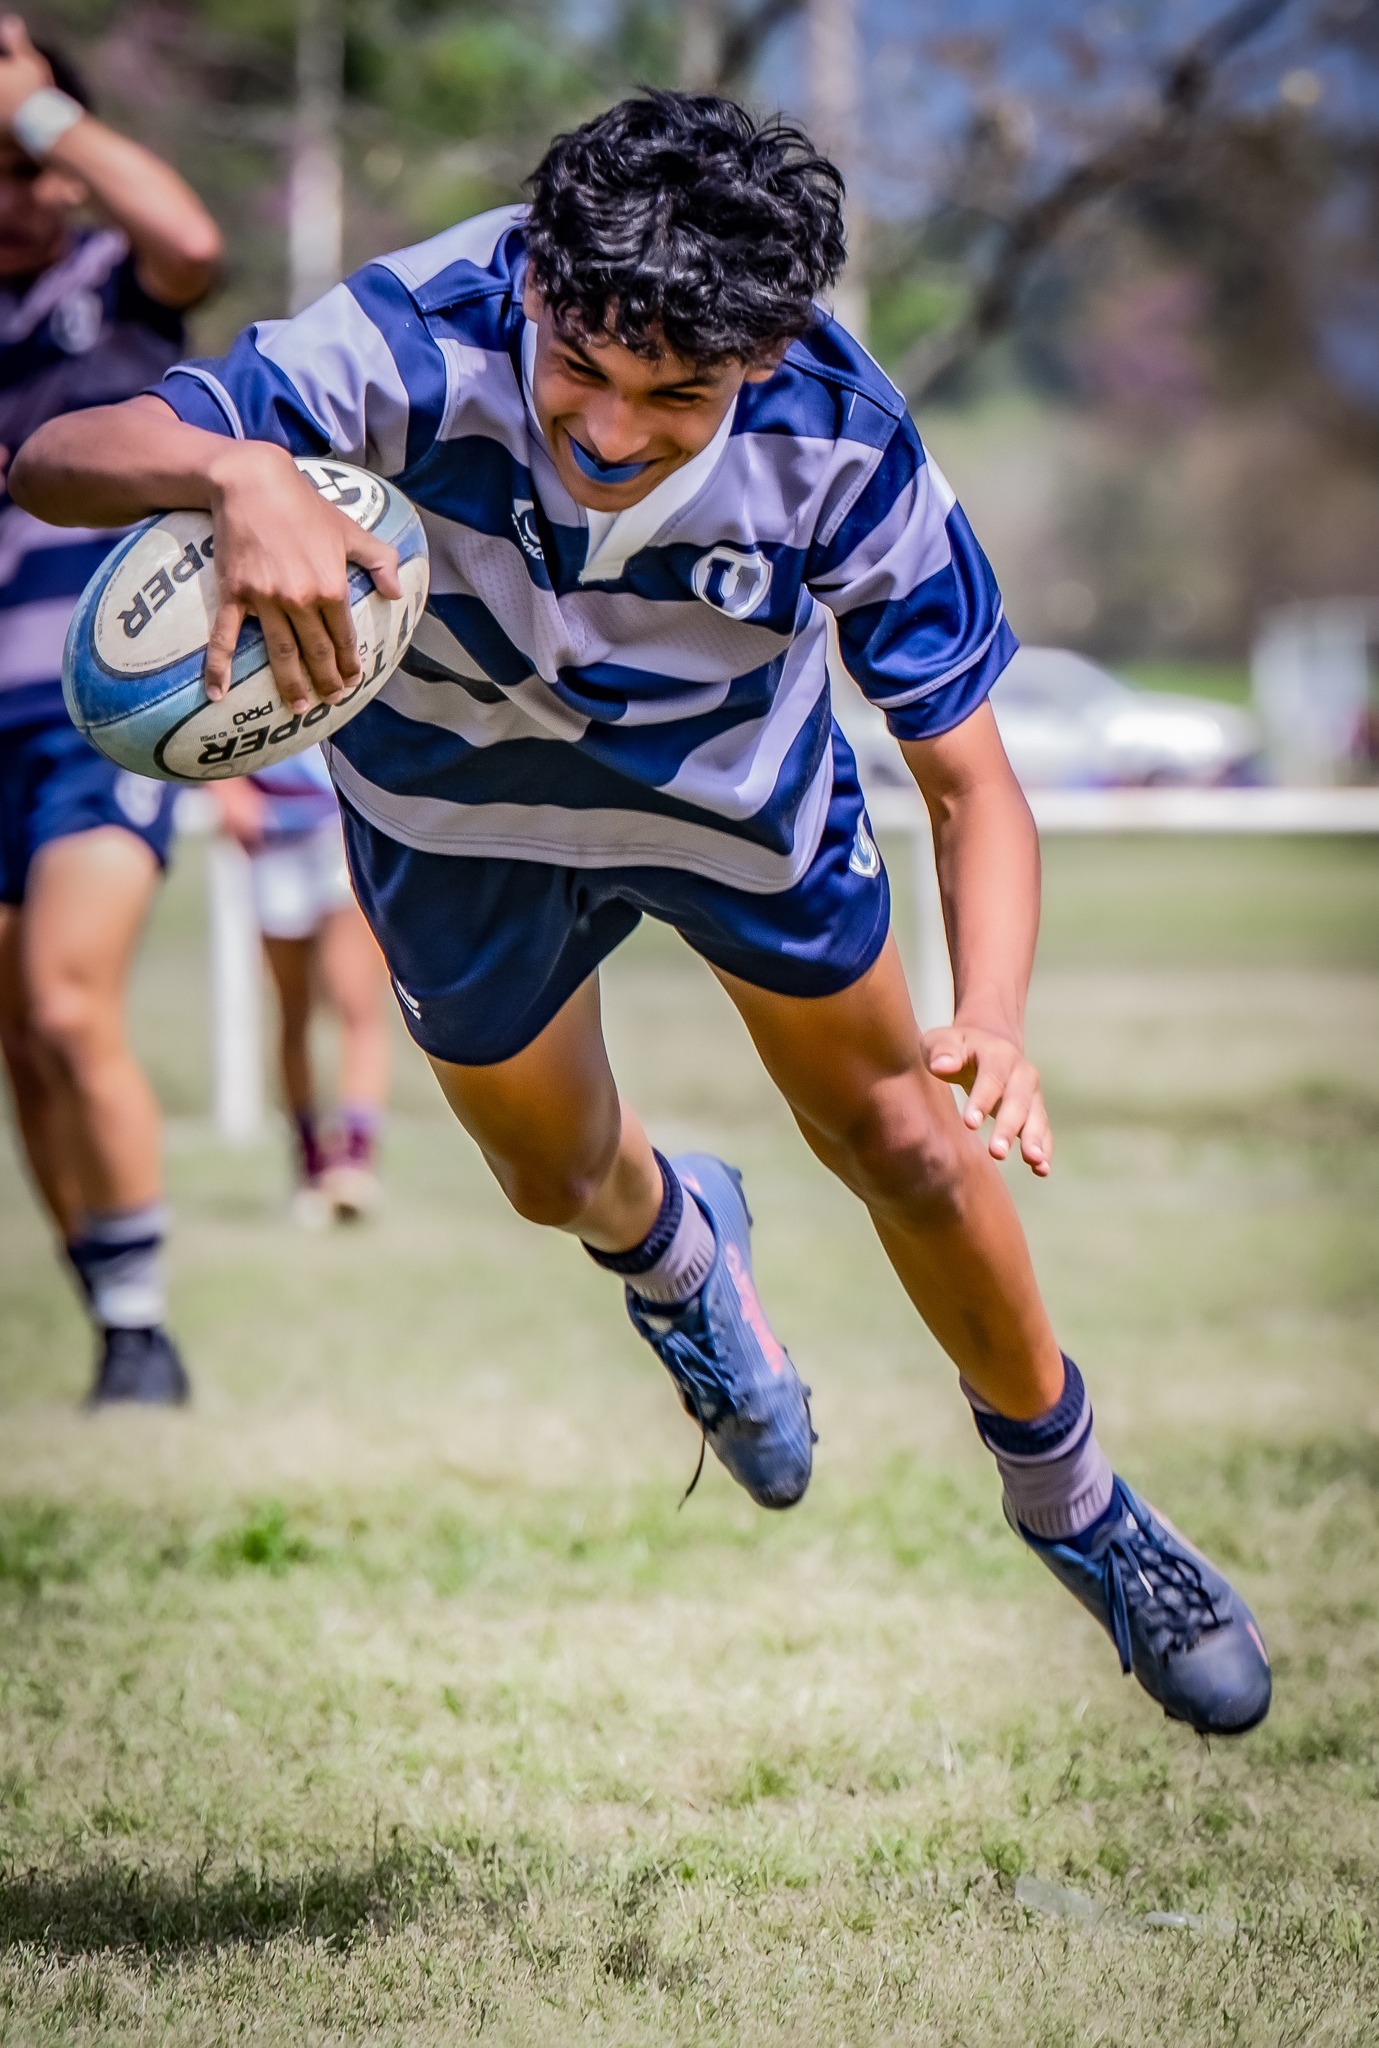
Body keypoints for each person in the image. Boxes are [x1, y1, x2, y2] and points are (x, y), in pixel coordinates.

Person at [13, 92, 1271, 1731]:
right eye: (578, 373)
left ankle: (1080, 1504)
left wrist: (991, 1018)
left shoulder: (841, 435)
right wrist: (233, 464)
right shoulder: (415, 330)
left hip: (732, 805)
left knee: (903, 1135)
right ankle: (681, 1253)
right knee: (552, 1180)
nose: (606, 430)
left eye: (674, 397)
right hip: (451, 810)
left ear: (759, 357)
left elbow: (971, 783)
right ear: (532, 287)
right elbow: (53, 457)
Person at [0, 19, 220, 1403]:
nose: (30, 196)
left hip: (101, 713)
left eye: (36, 167)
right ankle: (110, 1314)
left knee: (69, 1007)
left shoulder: (117, 284)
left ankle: (145, 1336)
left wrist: (36, 107)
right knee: (21, 1034)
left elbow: (191, 238)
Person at [213, 747, 390, 1223]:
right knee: (294, 1011)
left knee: (355, 999)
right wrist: (223, 787)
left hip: (342, 823)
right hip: (270, 831)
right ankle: (311, 1162)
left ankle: (355, 1162)